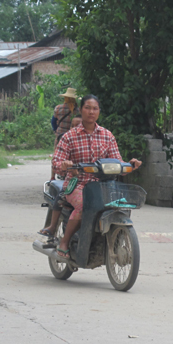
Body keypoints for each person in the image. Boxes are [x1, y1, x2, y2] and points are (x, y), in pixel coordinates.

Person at [51, 95, 142, 260]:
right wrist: (64, 165)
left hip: (104, 186)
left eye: (95, 108)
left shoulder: (107, 136)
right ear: (80, 109)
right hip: (77, 184)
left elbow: (118, 163)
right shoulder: (69, 137)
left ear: (99, 111)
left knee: (120, 206)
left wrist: (130, 165)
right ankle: (64, 242)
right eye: (87, 108)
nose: (91, 112)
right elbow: (56, 162)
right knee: (83, 206)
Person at [39, 116, 82, 243]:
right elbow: (56, 161)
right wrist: (64, 167)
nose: (76, 128)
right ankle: (53, 227)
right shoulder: (67, 139)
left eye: (79, 125)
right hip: (71, 180)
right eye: (73, 126)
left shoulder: (100, 138)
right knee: (62, 195)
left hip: (93, 182)